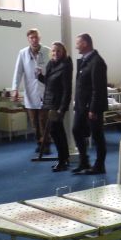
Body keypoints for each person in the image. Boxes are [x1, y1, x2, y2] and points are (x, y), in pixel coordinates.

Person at [71, 33, 108, 175]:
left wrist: (93, 109)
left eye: (78, 43)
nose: (76, 46)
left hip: (92, 107)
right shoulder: (85, 60)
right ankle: (84, 162)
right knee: (76, 130)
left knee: (97, 135)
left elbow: (97, 88)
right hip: (82, 106)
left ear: (85, 43)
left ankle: (99, 165)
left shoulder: (97, 62)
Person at [13, 28, 52, 156]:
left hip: (44, 91)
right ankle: (39, 143)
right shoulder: (23, 53)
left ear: (40, 38)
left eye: (36, 37)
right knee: (34, 121)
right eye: (31, 38)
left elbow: (53, 71)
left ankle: (46, 144)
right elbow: (18, 72)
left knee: (43, 120)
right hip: (30, 92)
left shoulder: (48, 51)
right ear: (28, 39)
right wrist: (15, 89)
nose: (34, 40)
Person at [38, 42, 73, 172]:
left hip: (57, 104)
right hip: (50, 102)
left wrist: (62, 108)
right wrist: (40, 76)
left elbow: (67, 90)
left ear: (63, 52)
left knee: (55, 131)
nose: (55, 53)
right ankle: (64, 158)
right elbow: (49, 82)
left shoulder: (65, 66)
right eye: (53, 51)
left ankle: (62, 160)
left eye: (58, 51)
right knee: (58, 132)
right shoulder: (51, 64)